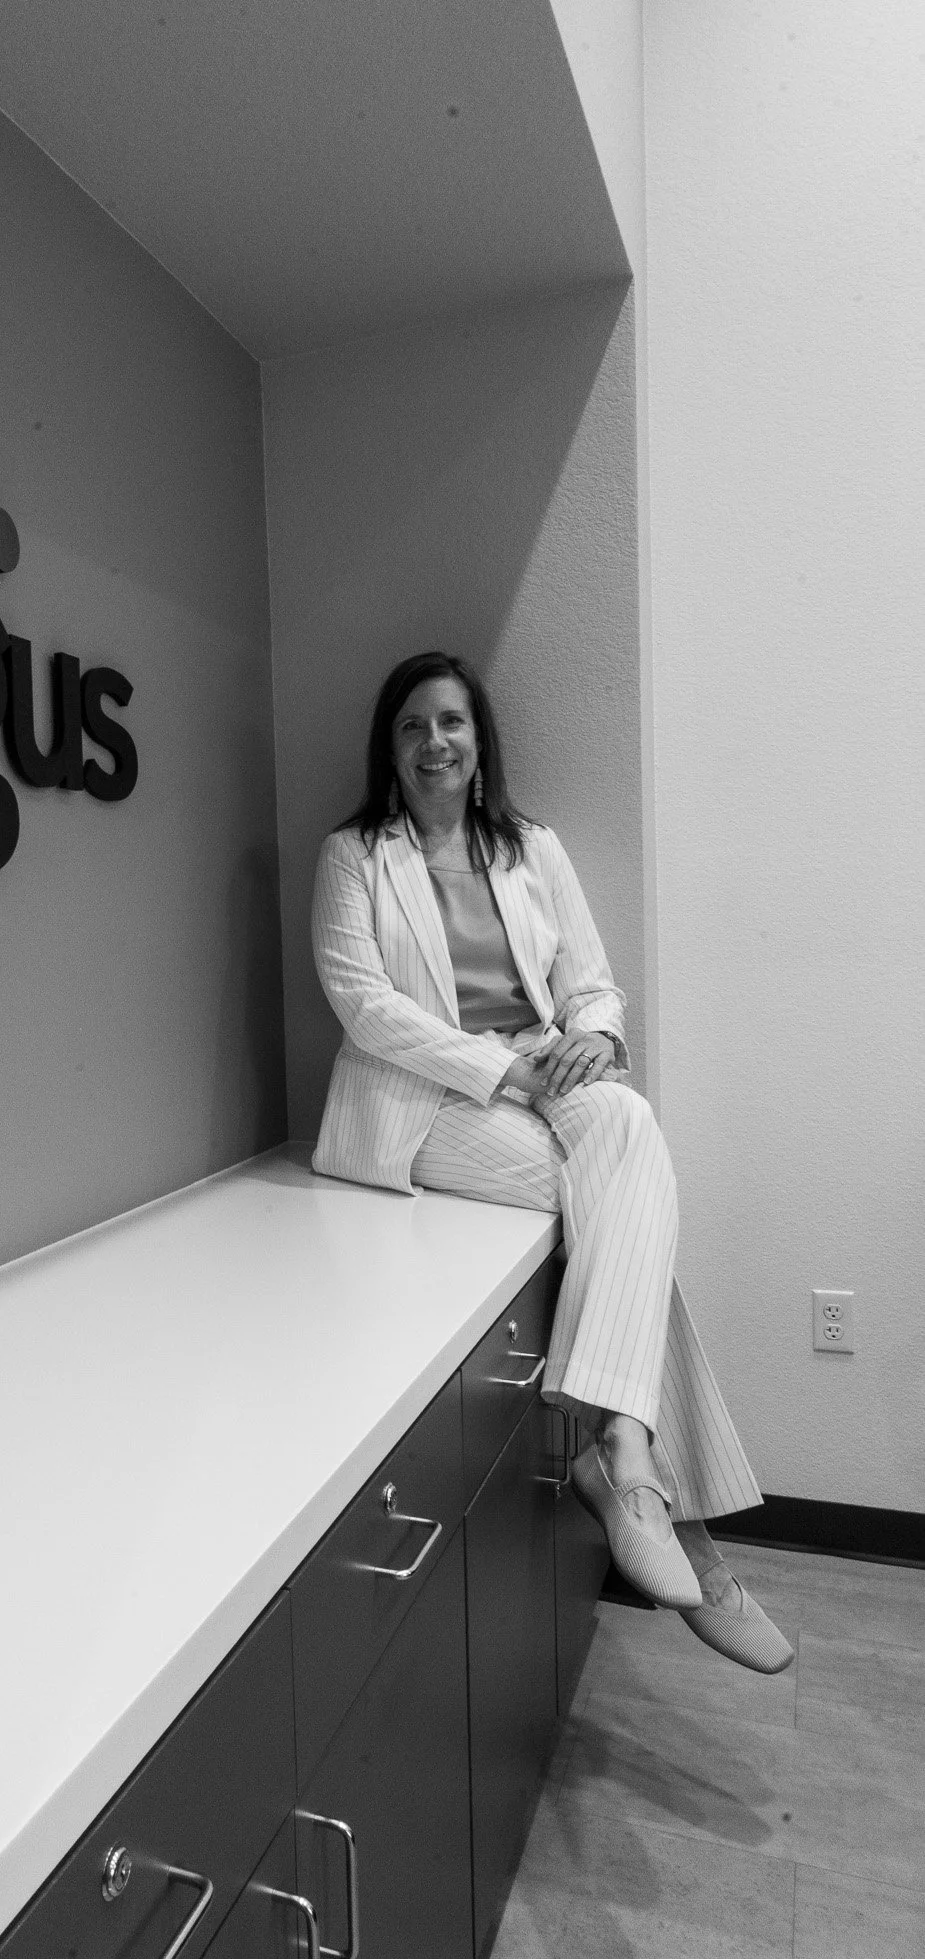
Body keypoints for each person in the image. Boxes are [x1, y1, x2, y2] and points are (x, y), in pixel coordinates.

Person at [310, 650, 792, 1674]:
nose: (434, 742)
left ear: (480, 737)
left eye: (451, 722)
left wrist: (592, 1041)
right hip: (422, 1109)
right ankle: (670, 1517)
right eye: (412, 727)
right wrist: (509, 1070)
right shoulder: (353, 856)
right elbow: (364, 1005)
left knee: (624, 1124)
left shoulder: (531, 848)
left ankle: (617, 1452)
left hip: (545, 1074)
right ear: (388, 748)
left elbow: (595, 983)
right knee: (627, 1214)